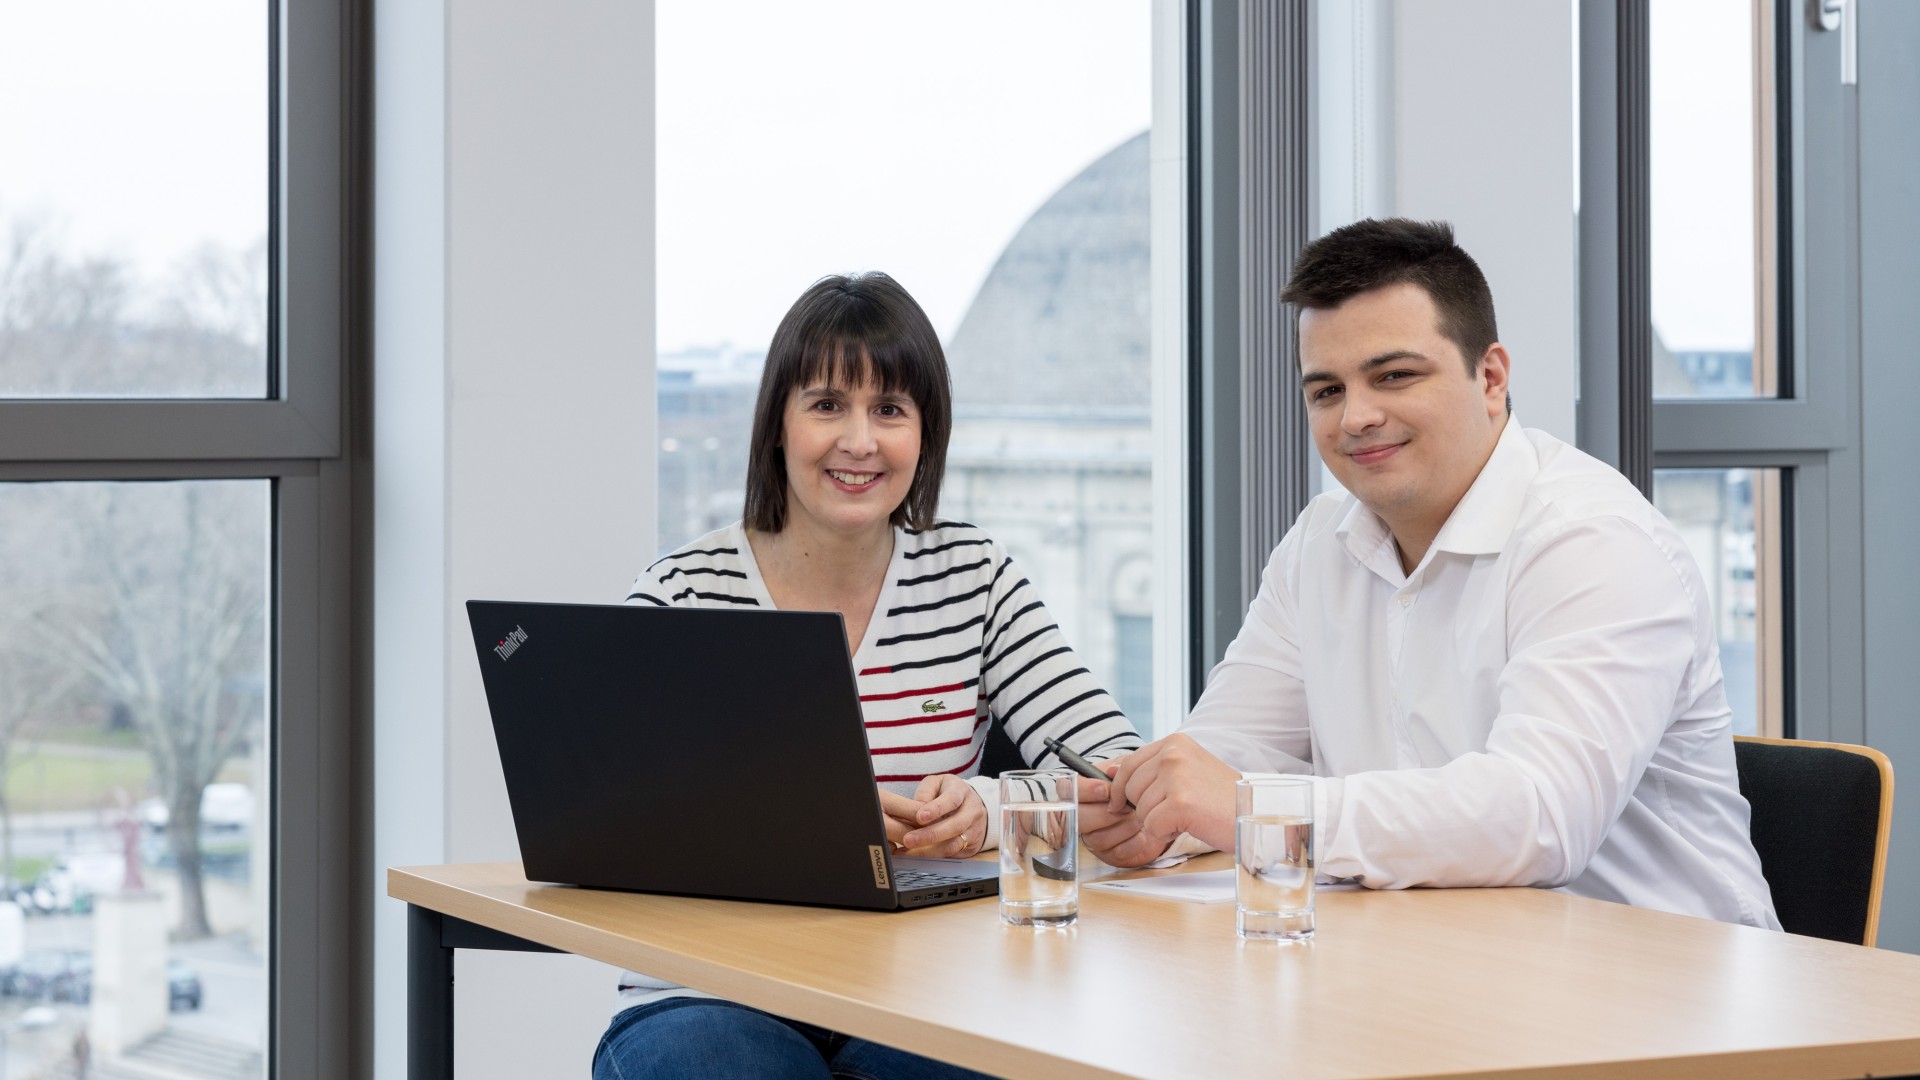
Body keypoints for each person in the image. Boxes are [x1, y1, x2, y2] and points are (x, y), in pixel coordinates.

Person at [1082, 218, 1780, 932]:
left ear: (1491, 378)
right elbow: (1228, 756)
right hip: (1438, 957)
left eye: (1394, 376)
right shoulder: (1318, 544)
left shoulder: (1593, 540)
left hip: (1659, 976)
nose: (1356, 417)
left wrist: (1249, 807)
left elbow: (1540, 816)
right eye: (1326, 391)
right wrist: (1152, 812)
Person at [594, 272, 1140, 1079]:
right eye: (826, 405)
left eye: (890, 410)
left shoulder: (974, 578)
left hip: (924, 990)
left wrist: (990, 811)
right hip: (709, 991)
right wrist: (792, 821)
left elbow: (1118, 774)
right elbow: (606, 812)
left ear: (926, 432)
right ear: (777, 426)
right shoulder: (683, 592)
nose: (860, 441)